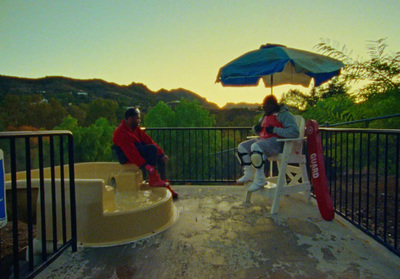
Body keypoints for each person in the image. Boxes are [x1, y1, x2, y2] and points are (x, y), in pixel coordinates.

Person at [236, 95, 299, 192]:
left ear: (273, 105)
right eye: (263, 106)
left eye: (266, 106)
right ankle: (249, 174)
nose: (264, 108)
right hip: (264, 140)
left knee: (256, 147)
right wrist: (256, 129)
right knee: (242, 147)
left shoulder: (285, 115)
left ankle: (260, 178)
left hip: (278, 143)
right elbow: (261, 131)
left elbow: (294, 132)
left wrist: (275, 130)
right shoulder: (265, 116)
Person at [112, 107, 178, 198]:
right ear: (130, 119)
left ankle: (165, 185)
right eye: (137, 118)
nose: (139, 121)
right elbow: (131, 153)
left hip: (136, 151)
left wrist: (162, 154)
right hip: (126, 157)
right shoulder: (121, 133)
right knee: (151, 149)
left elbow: (148, 140)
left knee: (159, 157)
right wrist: (146, 166)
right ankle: (153, 178)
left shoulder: (136, 129)